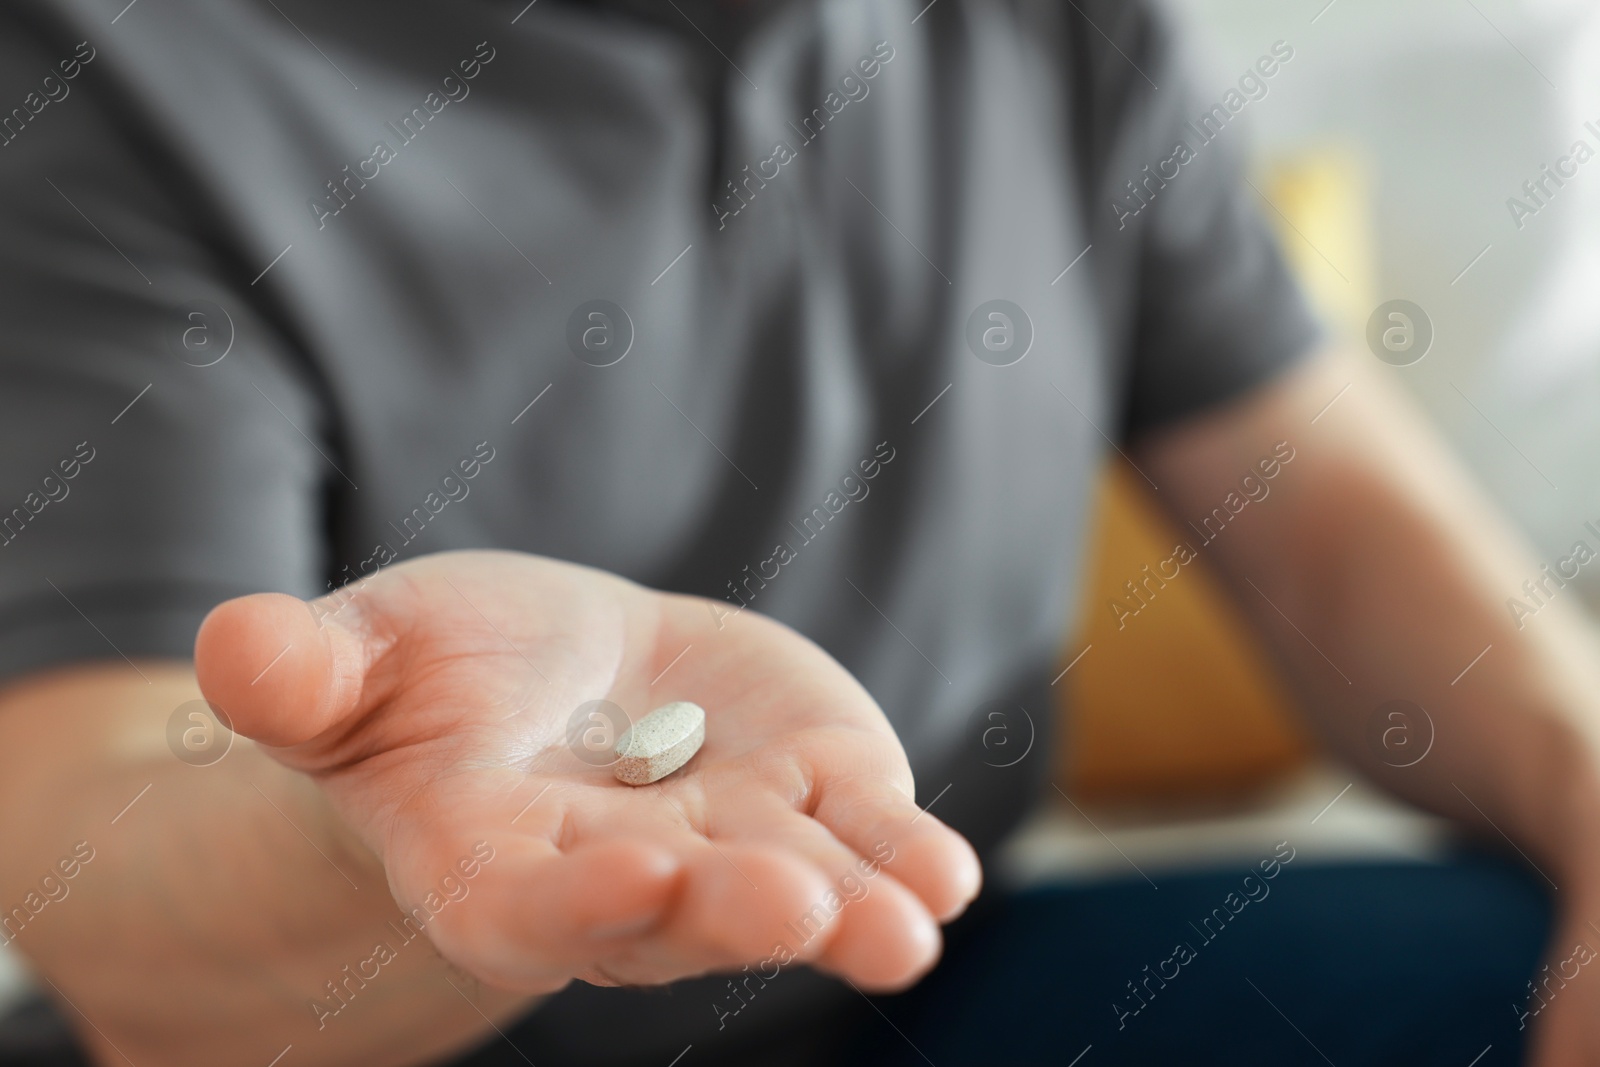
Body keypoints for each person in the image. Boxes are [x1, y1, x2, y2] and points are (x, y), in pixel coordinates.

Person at [0, 0, 1592, 1064]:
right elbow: (90, 853)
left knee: (1512, 957)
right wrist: (381, 849)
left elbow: (1332, 514)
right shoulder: (102, 76)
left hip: (912, 980)